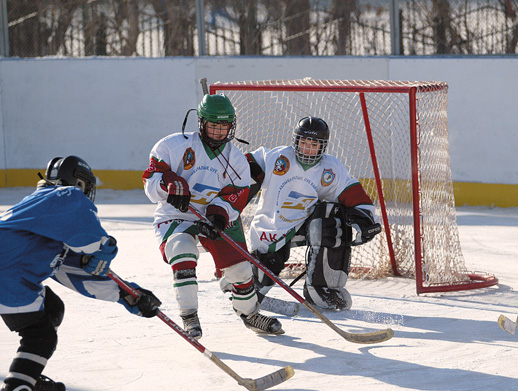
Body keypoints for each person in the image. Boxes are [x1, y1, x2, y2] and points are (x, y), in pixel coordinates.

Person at [0, 156, 161, 391]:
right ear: (78, 183)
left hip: (10, 272)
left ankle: (27, 377)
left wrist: (128, 295)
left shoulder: (42, 216)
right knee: (40, 336)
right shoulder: (65, 196)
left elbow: (75, 274)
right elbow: (92, 241)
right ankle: (17, 388)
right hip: (8, 274)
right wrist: (106, 249)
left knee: (51, 309)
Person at [142, 94, 283, 339]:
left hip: (212, 217)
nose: (219, 132)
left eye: (224, 126)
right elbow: (151, 179)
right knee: (181, 251)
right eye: (213, 125)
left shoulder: (236, 158)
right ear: (201, 122)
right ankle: (189, 316)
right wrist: (169, 185)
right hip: (176, 215)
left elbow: (237, 194)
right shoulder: (173, 145)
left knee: (240, 270)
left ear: (232, 125)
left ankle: (250, 314)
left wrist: (218, 215)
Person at [243, 116, 381, 311]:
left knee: (332, 220)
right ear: (295, 142)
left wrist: (365, 217)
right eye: (304, 142)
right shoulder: (277, 158)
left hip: (305, 224)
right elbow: (244, 165)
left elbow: (351, 191)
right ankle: (244, 281)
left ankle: (322, 288)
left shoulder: (330, 168)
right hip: (272, 226)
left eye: (314, 144)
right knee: (267, 269)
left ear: (322, 146)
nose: (307, 148)